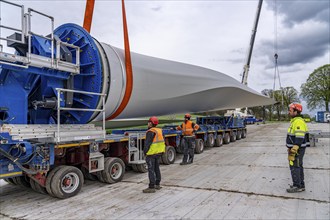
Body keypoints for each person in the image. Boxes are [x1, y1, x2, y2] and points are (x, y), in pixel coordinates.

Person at [286, 103, 309, 193]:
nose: (289, 112)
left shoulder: (298, 122)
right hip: (295, 148)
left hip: (297, 149)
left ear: (296, 112)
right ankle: (300, 184)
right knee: (298, 165)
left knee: (295, 166)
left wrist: (294, 148)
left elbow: (299, 137)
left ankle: (297, 186)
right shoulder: (295, 121)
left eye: (290, 111)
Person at [142, 116, 165, 193]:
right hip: (158, 153)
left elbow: (147, 144)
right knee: (156, 168)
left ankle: (151, 187)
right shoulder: (160, 130)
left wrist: (145, 152)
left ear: (151, 123)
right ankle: (157, 184)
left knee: (151, 170)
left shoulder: (150, 131)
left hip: (151, 153)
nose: (148, 124)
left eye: (148, 122)